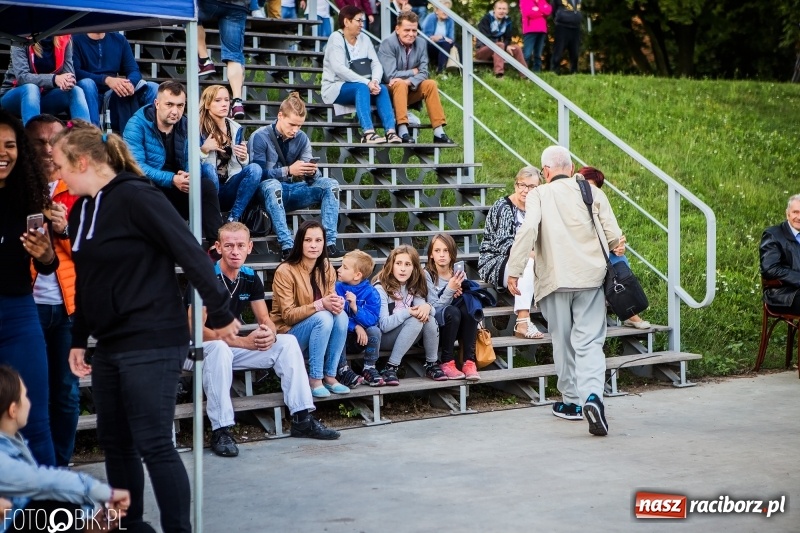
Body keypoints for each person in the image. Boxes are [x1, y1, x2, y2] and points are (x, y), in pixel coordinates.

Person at [55, 120, 240, 533]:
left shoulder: (139, 197)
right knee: (115, 443)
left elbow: (190, 252)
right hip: (110, 344)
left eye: (60, 165)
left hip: (154, 338)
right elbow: (88, 278)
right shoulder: (83, 208)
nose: (57, 174)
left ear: (82, 161)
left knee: (154, 442)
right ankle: (132, 524)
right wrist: (78, 338)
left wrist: (222, 312)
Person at [188, 222, 340, 458]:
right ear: (218, 247)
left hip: (228, 348)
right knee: (219, 348)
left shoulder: (249, 277)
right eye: (228, 245)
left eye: (240, 245)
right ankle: (222, 429)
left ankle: (301, 417)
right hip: (194, 350)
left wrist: (268, 332)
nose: (235, 251)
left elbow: (265, 319)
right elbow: (194, 331)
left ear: (250, 247)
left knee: (286, 342)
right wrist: (243, 342)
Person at [507, 145, 621, 437]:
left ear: (545, 172)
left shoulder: (538, 195)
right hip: (590, 280)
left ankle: (571, 402)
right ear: (571, 169)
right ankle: (593, 396)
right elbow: (614, 237)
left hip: (555, 281)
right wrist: (616, 245)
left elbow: (528, 228)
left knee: (562, 341)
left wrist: (515, 269)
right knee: (590, 343)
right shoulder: (591, 192)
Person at [0, 366, 131, 533]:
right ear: (13, 410)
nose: (29, 401)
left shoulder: (14, 443)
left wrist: (87, 518)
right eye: (24, 395)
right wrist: (106, 493)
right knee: (58, 505)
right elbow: (45, 481)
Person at [0, 111, 58, 467]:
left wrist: (46, 254)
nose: (3, 153)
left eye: (10, 145)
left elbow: (47, 265)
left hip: (19, 315)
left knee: (34, 421)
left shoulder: (27, 197)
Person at [24, 115, 81, 468]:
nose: (47, 149)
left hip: (69, 308)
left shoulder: (79, 189)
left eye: (53, 141)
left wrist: (64, 231)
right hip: (23, 306)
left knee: (65, 393)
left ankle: (60, 466)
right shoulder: (15, 188)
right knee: (25, 392)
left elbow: (96, 253)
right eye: (38, 142)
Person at [123, 80, 224, 247]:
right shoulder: (137, 125)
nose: (175, 111)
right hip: (150, 187)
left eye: (180, 105)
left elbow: (192, 159)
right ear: (157, 103)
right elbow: (137, 166)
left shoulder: (186, 124)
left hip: (177, 186)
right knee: (145, 186)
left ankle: (215, 246)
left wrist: (188, 175)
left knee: (206, 186)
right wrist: (171, 179)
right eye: (169, 104)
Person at [249, 92, 342, 260]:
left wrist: (312, 171)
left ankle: (329, 243)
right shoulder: (260, 137)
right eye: (292, 124)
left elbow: (312, 179)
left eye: (299, 125)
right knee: (273, 185)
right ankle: (287, 245)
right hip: (264, 193)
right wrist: (288, 171)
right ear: (280, 116)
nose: (295, 130)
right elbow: (257, 176)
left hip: (290, 190)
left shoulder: (302, 138)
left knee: (330, 184)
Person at [271, 220, 350, 398]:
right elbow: (288, 316)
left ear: (324, 242)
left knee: (341, 316)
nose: (313, 245)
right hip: (288, 334)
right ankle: (314, 379)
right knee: (323, 317)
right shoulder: (285, 271)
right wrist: (320, 304)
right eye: (308, 240)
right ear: (299, 242)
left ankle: (330, 376)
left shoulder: (327, 268)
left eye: (318, 240)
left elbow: (330, 302)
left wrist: (337, 304)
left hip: (319, 334)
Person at [578, 166, 650, 329]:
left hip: (597, 251)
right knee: (613, 258)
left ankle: (627, 310)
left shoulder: (595, 204)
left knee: (618, 257)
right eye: (587, 186)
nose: (590, 191)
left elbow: (607, 231)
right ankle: (629, 311)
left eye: (594, 188)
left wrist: (618, 244)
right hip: (579, 251)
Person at [478, 166, 544, 340]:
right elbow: (503, 244)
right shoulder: (503, 207)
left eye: (531, 187)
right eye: (521, 184)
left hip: (531, 259)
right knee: (526, 263)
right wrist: (534, 255)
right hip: (496, 260)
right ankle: (522, 322)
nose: (525, 190)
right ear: (515, 185)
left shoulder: (539, 208)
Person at [322, 5, 401, 144]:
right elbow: (339, 69)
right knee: (361, 87)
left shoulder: (364, 38)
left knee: (382, 88)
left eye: (362, 21)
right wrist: (367, 83)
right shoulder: (336, 38)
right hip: (335, 87)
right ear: (347, 22)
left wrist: (375, 81)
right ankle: (368, 133)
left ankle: (391, 132)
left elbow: (376, 64)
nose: (362, 24)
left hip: (362, 87)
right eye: (358, 21)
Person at [378, 11, 454, 145]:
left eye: (414, 30)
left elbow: (424, 72)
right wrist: (413, 71)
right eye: (407, 30)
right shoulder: (388, 44)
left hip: (409, 89)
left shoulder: (421, 43)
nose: (411, 34)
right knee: (400, 84)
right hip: (389, 93)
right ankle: (402, 130)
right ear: (397, 29)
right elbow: (390, 75)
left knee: (430, 84)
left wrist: (409, 81)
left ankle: (438, 132)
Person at [373, 245, 444, 385]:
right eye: (398, 263)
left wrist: (427, 306)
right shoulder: (380, 288)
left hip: (405, 335)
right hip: (383, 337)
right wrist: (408, 312)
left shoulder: (412, 286)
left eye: (407, 264)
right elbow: (383, 325)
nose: (403, 268)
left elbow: (429, 312)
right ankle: (390, 367)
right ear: (391, 265)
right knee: (416, 320)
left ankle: (431, 364)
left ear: (414, 268)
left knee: (427, 318)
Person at [71, 33, 159, 132]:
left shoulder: (119, 39)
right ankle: (93, 135)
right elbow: (75, 72)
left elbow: (134, 70)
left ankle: (151, 134)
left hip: (113, 93)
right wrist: (106, 80)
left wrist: (130, 84)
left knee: (153, 87)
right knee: (87, 84)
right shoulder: (76, 39)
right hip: (89, 93)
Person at [199, 85, 262, 223]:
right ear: (208, 104)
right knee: (209, 169)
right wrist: (203, 150)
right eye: (218, 100)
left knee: (255, 169)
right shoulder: (197, 127)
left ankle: (233, 218)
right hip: (205, 190)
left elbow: (239, 166)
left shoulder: (235, 128)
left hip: (228, 186)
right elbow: (187, 163)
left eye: (227, 100)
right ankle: (212, 219)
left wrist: (244, 157)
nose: (224, 104)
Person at [0, 36, 92, 126]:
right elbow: (22, 77)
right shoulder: (20, 38)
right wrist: (54, 79)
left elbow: (68, 74)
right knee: (31, 88)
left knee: (76, 90)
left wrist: (68, 81)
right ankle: (32, 138)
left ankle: (84, 136)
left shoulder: (64, 38)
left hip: (46, 97)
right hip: (15, 95)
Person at [425, 234, 481, 381]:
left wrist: (459, 293)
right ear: (431, 254)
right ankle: (447, 361)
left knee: (467, 304)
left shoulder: (458, 273)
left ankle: (469, 361)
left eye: (446, 250)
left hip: (458, 326)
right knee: (452, 311)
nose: (442, 255)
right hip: (437, 328)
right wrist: (450, 290)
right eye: (437, 251)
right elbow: (432, 308)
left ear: (452, 254)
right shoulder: (427, 275)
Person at [336, 250, 384, 387]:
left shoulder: (371, 293)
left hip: (360, 341)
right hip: (341, 337)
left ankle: (369, 367)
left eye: (345, 267)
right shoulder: (336, 288)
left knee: (374, 330)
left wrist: (356, 308)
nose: (339, 270)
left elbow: (372, 319)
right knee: (338, 328)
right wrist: (355, 326)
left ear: (357, 275)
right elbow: (335, 313)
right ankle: (342, 369)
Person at [197, 0, 248, 119]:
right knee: (234, 55)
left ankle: (205, 60)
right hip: (237, 6)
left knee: (187, 13)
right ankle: (237, 102)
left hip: (208, 4)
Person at [760, 194, 800, 315]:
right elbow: (770, 268)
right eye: (795, 212)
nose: (799, 217)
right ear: (787, 213)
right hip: (783, 294)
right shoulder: (773, 234)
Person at [476, 1, 527, 78]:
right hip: (483, 50)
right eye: (499, 8)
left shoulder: (507, 21)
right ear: (494, 9)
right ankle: (499, 75)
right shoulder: (486, 19)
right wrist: (504, 47)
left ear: (507, 11)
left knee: (516, 48)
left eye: (504, 9)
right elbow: (485, 38)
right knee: (500, 44)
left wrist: (506, 46)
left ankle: (525, 75)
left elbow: (507, 38)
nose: (501, 11)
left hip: (499, 50)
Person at [420, 0, 458, 74]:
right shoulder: (431, 17)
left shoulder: (450, 20)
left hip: (443, 45)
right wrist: (443, 38)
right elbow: (427, 37)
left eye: (447, 10)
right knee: (445, 44)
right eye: (443, 9)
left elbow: (451, 39)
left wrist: (440, 37)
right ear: (436, 11)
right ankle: (441, 72)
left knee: (456, 46)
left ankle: (461, 72)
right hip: (429, 46)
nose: (445, 12)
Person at [519, 0, 552, 72]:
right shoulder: (525, 1)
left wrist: (538, 9)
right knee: (527, 54)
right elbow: (528, 13)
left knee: (538, 54)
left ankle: (537, 72)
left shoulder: (542, 1)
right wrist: (542, 12)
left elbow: (548, 10)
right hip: (530, 30)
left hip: (542, 30)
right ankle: (523, 72)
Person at [550, 0, 582, 74]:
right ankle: (554, 70)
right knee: (559, 49)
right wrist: (559, 18)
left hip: (576, 27)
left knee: (575, 51)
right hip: (562, 26)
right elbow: (553, 9)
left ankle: (574, 71)